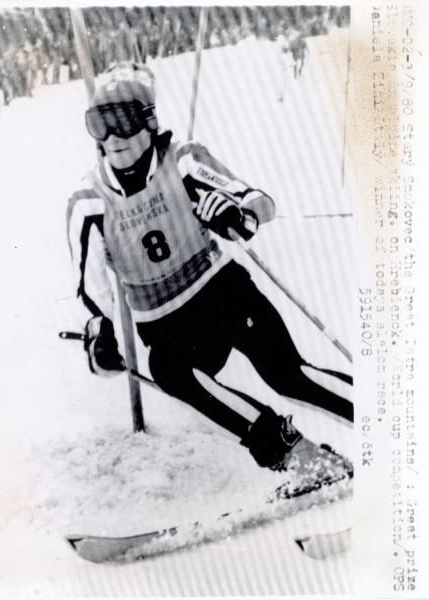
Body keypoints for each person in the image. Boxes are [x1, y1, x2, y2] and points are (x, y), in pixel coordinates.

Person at [67, 62, 352, 480]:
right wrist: (100, 337)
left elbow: (259, 201)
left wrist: (238, 215)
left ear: (148, 121)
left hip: (223, 297)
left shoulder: (182, 162)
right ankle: (298, 456)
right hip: (165, 327)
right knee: (170, 372)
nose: (112, 139)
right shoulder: (88, 202)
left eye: (123, 122)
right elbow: (92, 292)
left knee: (289, 375)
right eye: (99, 125)